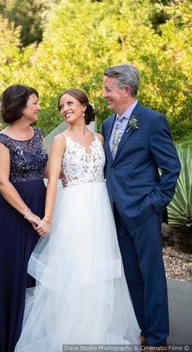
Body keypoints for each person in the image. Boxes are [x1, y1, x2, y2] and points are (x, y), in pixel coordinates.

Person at [15, 88, 140, 351]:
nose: (65, 109)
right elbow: (51, 182)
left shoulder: (100, 138)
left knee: (99, 270)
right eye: (61, 106)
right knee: (77, 269)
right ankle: (71, 334)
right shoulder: (60, 140)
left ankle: (95, 334)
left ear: (84, 107)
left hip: (101, 210)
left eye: (70, 103)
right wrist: (48, 217)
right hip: (74, 211)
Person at [102, 64, 181, 350]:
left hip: (144, 212)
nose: (104, 95)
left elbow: (171, 168)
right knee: (132, 276)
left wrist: (155, 203)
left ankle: (159, 338)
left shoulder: (151, 120)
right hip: (116, 212)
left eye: (108, 89)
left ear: (125, 89)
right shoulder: (108, 124)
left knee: (152, 275)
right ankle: (143, 329)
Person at [0, 84, 48, 352]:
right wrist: (28, 213)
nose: (38, 106)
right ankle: (11, 339)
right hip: (15, 214)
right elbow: (2, 181)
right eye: (34, 102)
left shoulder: (38, 134)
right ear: (20, 107)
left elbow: (46, 167)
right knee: (16, 272)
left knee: (42, 270)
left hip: (41, 206)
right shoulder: (2, 141)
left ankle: (37, 338)